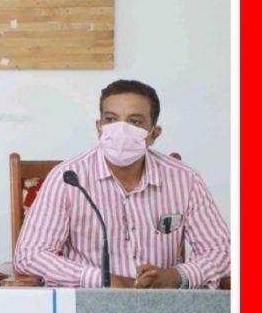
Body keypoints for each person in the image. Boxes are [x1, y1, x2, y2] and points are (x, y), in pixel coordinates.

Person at [14, 80, 230, 288]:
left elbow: (223, 252)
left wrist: (175, 277)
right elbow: (30, 255)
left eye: (135, 122)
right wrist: (102, 279)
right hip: (90, 302)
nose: (121, 130)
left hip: (164, 302)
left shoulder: (185, 179)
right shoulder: (68, 179)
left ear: (154, 134)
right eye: (111, 119)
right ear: (99, 127)